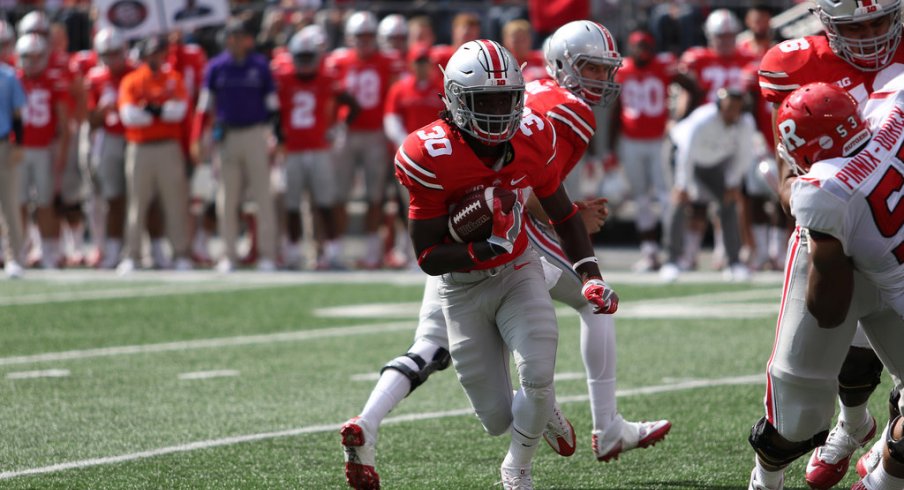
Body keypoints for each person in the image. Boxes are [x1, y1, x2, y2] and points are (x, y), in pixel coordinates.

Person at [392, 38, 617, 490]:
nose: (497, 111)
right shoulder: (428, 154)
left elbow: (565, 214)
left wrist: (591, 277)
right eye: (484, 100)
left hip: (519, 271)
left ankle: (518, 469)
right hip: (462, 287)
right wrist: (480, 250)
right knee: (497, 417)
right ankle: (538, 410)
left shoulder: (533, 134)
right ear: (455, 100)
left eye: (506, 99)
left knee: (537, 374)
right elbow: (427, 255)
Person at [755, 1, 904, 487]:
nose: (870, 36)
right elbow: (786, 152)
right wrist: (798, 197)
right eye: (854, 26)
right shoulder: (795, 65)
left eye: (879, 21)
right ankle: (773, 472)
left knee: (868, 363)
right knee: (796, 409)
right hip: (830, 235)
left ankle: (873, 458)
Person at [609, 29, 700, 272]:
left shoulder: (663, 67)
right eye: (637, 47)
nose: (642, 52)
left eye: (646, 47)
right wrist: (611, 145)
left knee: (666, 196)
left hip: (659, 140)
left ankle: (673, 251)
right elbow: (616, 110)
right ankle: (649, 252)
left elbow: (693, 88)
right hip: (631, 141)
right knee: (641, 198)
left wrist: (680, 119)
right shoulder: (622, 70)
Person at [193, 18, 280, 272]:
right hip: (227, 136)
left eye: (240, 36)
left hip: (255, 133)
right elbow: (204, 107)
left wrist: (277, 136)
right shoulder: (216, 67)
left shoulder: (259, 66)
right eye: (232, 36)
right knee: (227, 198)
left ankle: (267, 254)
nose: (236, 41)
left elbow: (273, 106)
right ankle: (229, 254)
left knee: (263, 197)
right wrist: (199, 137)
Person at [274, 26, 358, 270]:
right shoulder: (284, 80)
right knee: (291, 205)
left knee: (325, 203)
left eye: (309, 57)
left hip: (319, 148)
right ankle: (291, 251)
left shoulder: (327, 81)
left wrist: (338, 128)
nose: (305, 63)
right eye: (301, 58)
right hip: (293, 149)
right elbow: (274, 113)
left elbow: (353, 106)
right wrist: (277, 136)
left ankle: (331, 252)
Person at [324, 11, 398, 269]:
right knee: (338, 193)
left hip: (375, 132)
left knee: (374, 195)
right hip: (346, 131)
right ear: (349, 37)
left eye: (368, 36)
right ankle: (337, 248)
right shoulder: (338, 60)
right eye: (359, 36)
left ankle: (371, 249)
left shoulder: (387, 62)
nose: (364, 42)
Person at [659, 88, 755, 283]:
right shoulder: (702, 119)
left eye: (737, 109)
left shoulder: (745, 124)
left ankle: (734, 262)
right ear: (719, 107)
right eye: (729, 108)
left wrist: (732, 182)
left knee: (728, 204)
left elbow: (743, 156)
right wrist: (682, 185)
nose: (732, 114)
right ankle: (671, 261)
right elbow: (685, 153)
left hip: (713, 164)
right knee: (679, 202)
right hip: (680, 156)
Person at [116, 35, 192, 274]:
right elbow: (129, 115)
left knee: (174, 202)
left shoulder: (173, 78)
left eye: (159, 53)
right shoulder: (132, 80)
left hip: (168, 146)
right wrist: (159, 111)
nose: (155, 58)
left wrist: (152, 110)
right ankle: (133, 254)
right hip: (140, 147)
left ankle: (180, 253)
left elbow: (178, 112)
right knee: (137, 203)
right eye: (151, 53)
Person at [16, 33, 69, 270]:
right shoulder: (11, 79)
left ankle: (49, 251)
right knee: (17, 203)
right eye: (28, 56)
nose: (32, 61)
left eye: (37, 56)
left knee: (46, 202)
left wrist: (62, 151)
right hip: (17, 149)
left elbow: (64, 121)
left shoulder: (53, 80)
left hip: (44, 148)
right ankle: (19, 250)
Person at [85, 28, 136, 269]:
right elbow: (90, 119)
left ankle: (149, 249)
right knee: (113, 197)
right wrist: (100, 112)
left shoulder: (136, 72)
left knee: (142, 197)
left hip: (136, 138)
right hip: (109, 140)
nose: (111, 58)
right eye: (106, 53)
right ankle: (114, 250)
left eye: (115, 52)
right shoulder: (95, 78)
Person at [0, 31, 26, 278]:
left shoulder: (8, 76)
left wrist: (19, 144)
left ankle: (14, 256)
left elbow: (18, 115)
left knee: (9, 203)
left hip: (3, 144)